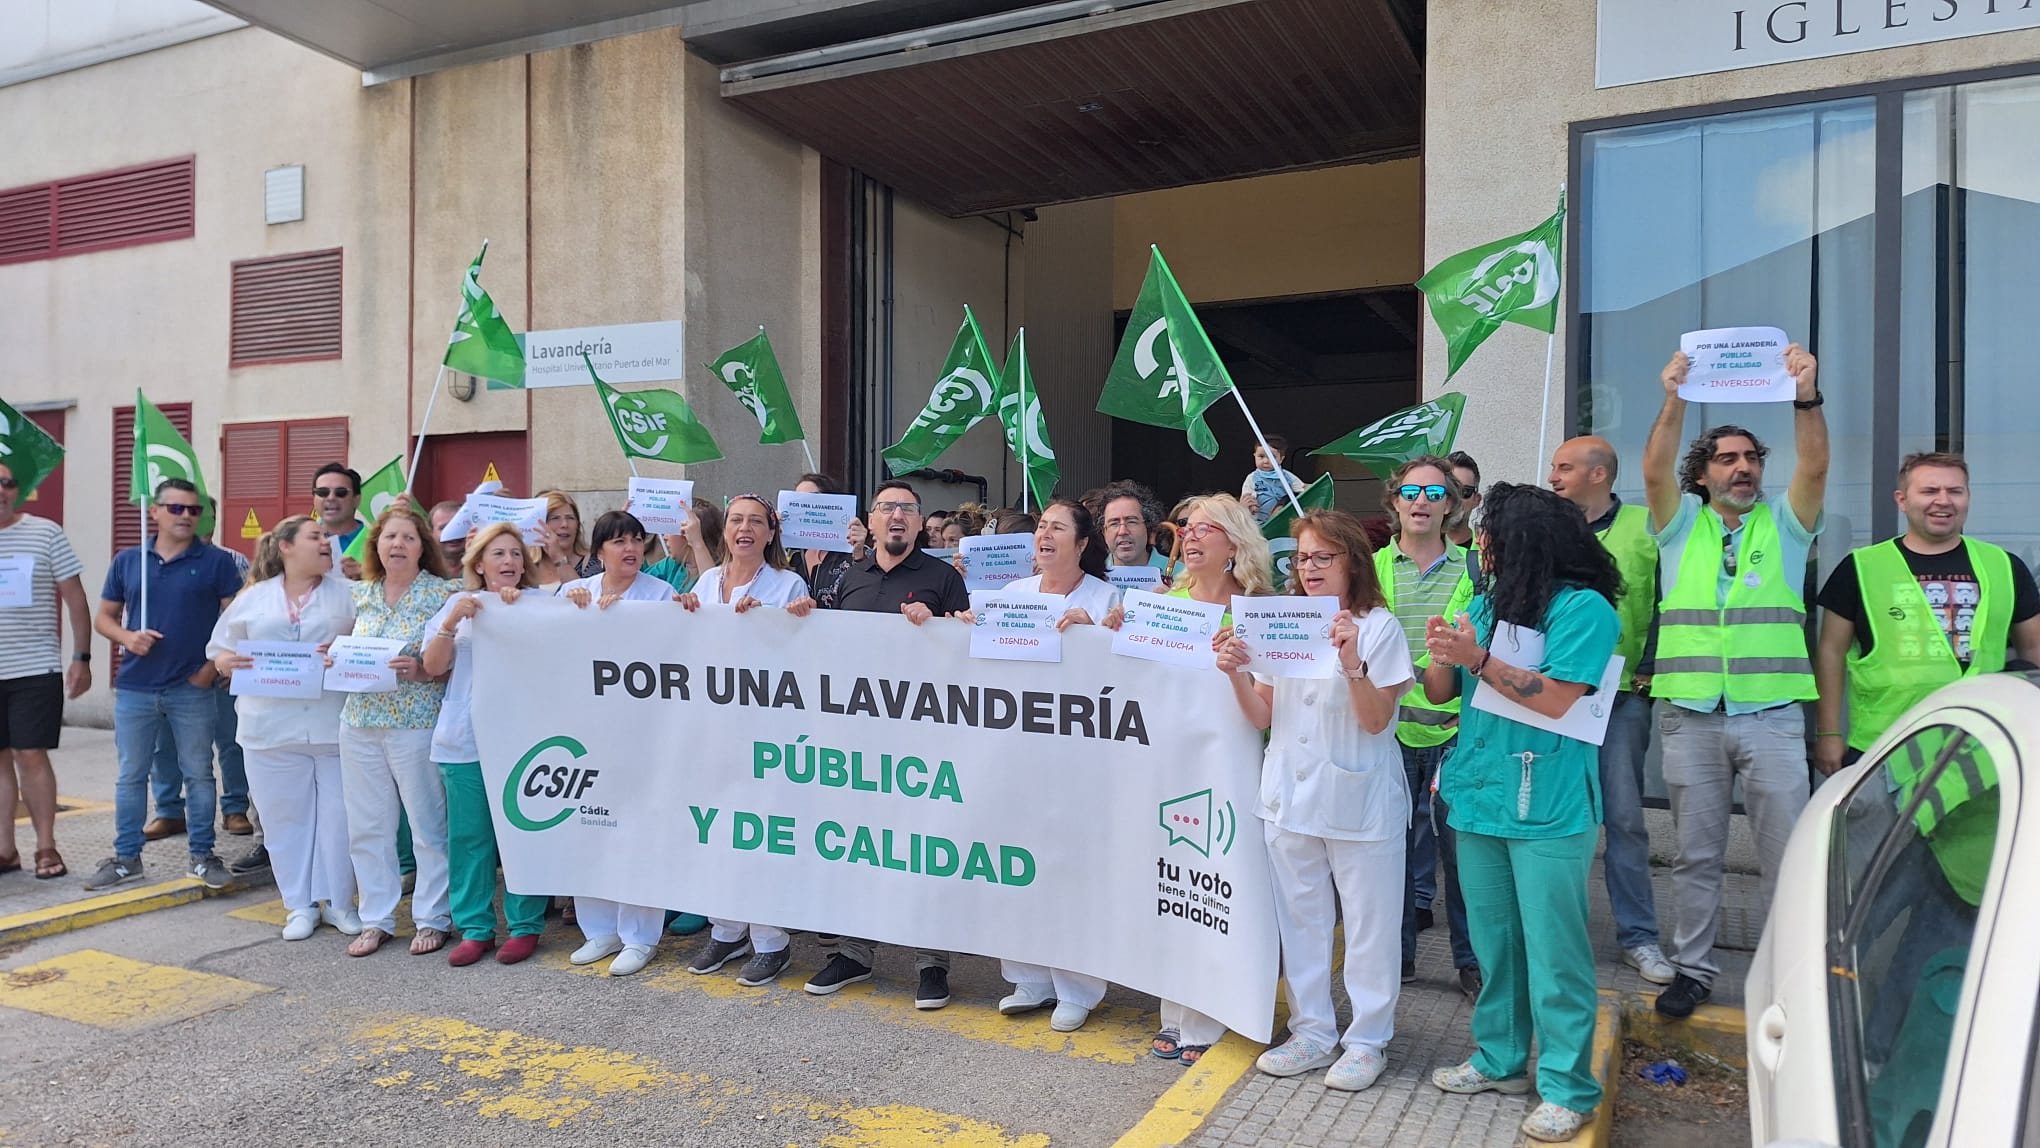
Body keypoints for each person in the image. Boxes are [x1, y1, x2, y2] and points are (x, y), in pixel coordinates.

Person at [1422, 482, 1623, 1143]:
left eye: (1490, 534)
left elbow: (1559, 699)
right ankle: (1501, 1059)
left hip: (1548, 808)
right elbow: (1445, 689)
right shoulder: (1485, 602)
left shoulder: (1585, 611)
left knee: (1556, 952)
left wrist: (1477, 656)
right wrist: (1443, 652)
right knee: (1496, 943)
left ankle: (1569, 1088)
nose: (1480, 544)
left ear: (1525, 542)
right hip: (1480, 797)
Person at [1643, 343, 1827, 1019]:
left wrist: (1805, 396)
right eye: (1728, 458)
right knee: (1695, 855)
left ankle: (1790, 972)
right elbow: (1652, 467)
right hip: (1689, 714)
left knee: (1788, 855)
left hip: (1773, 714)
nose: (1744, 467)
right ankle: (1693, 969)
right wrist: (1673, 398)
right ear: (1704, 473)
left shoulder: (1787, 525)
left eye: (1751, 458)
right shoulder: (1675, 525)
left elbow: (1815, 464)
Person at [1221, 509, 1412, 1091]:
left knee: (1369, 925)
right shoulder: (1284, 624)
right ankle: (1312, 1030)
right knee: (1301, 921)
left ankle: (1368, 1038)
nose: (1309, 568)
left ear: (1352, 561)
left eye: (1323, 557)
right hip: (1289, 798)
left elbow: (1377, 721)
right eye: (1302, 558)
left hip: (1360, 800)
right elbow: (1262, 714)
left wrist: (1353, 663)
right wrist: (1233, 671)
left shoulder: (1379, 628)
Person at [807, 481, 970, 1009]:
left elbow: (964, 651)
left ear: (920, 524)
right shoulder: (849, 577)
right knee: (861, 845)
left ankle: (932, 962)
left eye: (907, 509)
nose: (896, 516)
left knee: (926, 847)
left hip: (923, 737)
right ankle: (855, 951)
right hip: (858, 739)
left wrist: (942, 627)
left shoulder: (943, 578)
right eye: (886, 508)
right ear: (871, 522)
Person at [977, 498, 1120, 1033]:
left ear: (1083, 544)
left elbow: (1122, 664)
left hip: (1078, 755)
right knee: (1015, 861)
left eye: (1058, 528)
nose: (1044, 535)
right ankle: (1028, 977)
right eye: (1041, 526)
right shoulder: (1012, 595)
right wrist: (966, 624)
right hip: (1017, 750)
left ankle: (1078, 986)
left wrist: (1100, 631)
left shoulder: (1106, 597)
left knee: (1070, 866)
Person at [1815, 452, 2040, 774]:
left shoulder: (2004, 566)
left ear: (1968, 497)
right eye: (1930, 491)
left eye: (1955, 491)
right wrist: (1828, 733)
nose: (1943, 501)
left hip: (1981, 743)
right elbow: (1830, 652)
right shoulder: (1861, 567)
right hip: (1885, 745)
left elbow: (2033, 650)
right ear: (1902, 500)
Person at [1547, 435, 1675, 985]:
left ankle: (1639, 937)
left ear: (1598, 475)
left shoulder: (1648, 528)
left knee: (1623, 819)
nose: (1554, 477)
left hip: (1620, 698)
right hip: (1552, 697)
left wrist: (1650, 668)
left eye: (1565, 468)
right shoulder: (1552, 528)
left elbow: (1668, 601)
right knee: (1556, 821)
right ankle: (1560, 935)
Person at [1151, 493, 1273, 1067]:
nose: (1191, 537)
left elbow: (1271, 705)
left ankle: (1212, 1011)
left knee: (1219, 890)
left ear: (1234, 544)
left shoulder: (1258, 610)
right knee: (1172, 891)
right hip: (1167, 767)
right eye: (1186, 529)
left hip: (1231, 768)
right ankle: (1174, 1011)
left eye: (1206, 529)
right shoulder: (1164, 602)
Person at [675, 495, 818, 986]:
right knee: (716, 828)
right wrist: (687, 611)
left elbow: (799, 649)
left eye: (756, 522)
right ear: (725, 530)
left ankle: (770, 940)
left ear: (771, 533)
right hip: (712, 731)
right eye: (736, 520)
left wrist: (780, 621)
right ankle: (727, 928)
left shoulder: (787, 583)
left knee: (761, 833)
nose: (745, 528)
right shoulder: (707, 582)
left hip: (766, 734)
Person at [206, 516, 361, 940]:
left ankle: (341, 903)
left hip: (331, 724)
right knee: (283, 819)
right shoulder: (254, 597)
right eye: (315, 537)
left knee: (339, 820)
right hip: (268, 728)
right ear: (287, 547)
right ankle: (299, 904)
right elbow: (219, 649)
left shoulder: (347, 595)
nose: (326, 543)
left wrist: (344, 652)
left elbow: (367, 645)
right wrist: (226, 663)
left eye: (326, 537)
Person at [87, 479, 245, 891]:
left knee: (198, 773)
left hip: (192, 687)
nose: (187, 516)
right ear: (154, 512)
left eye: (194, 510)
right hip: (136, 686)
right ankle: (126, 858)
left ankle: (203, 856)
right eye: (177, 509)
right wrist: (127, 638)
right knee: (131, 775)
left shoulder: (216, 562)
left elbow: (238, 622)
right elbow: (103, 616)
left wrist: (212, 668)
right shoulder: (128, 560)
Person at [422, 521, 552, 967]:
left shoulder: (540, 604)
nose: (509, 562)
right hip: (465, 740)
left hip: (523, 739)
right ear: (479, 563)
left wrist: (522, 614)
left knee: (523, 831)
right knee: (470, 837)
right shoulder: (456, 605)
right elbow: (434, 666)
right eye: (498, 554)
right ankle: (475, 927)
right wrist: (455, 620)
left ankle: (525, 925)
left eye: (516, 554)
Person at [563, 510, 683, 975]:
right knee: (588, 826)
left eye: (636, 540)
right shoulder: (577, 595)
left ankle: (639, 935)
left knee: (637, 828)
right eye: (618, 542)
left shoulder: (660, 594)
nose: (630, 549)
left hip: (642, 731)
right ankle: (600, 930)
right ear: (598, 552)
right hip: (587, 732)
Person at [1377, 456, 1480, 997]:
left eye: (1434, 493)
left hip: (1457, 731)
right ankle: (1397, 960)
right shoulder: (1368, 568)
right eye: (1411, 491)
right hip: (1388, 731)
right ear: (1395, 501)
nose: (1421, 501)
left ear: (1451, 506)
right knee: (1392, 851)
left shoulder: (1477, 570)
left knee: (1462, 855)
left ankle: (1471, 961)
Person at [338, 504, 458, 957]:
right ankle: (376, 918)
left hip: (415, 723)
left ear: (422, 546)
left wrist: (423, 671)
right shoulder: (361, 595)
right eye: (389, 537)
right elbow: (345, 645)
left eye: (408, 538)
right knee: (368, 826)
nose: (398, 545)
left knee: (428, 824)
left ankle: (432, 917)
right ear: (376, 546)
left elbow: (456, 666)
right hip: (360, 723)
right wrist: (336, 657)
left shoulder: (442, 594)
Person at [0, 458, 92, 880]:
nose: (1, 490)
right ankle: (5, 849)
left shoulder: (45, 533)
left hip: (34, 668)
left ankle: (45, 846)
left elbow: (75, 598)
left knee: (29, 753)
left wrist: (82, 658)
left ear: (16, 489)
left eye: (6, 482)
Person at [147, 500, 252, 842]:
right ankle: (169, 811)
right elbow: (134, 612)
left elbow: (244, 617)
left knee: (231, 742)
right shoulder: (146, 561)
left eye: (205, 514)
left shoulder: (235, 562)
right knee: (165, 746)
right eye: (182, 511)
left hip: (220, 673)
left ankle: (235, 808)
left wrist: (226, 661)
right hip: (166, 672)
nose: (194, 520)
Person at [791, 474, 870, 610]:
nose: (805, 506)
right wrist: (771, 534)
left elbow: (871, 588)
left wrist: (859, 553)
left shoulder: (857, 552)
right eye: (798, 500)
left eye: (812, 498)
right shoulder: (795, 557)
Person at [1087, 479, 1175, 576]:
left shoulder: (1183, 574)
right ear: (1104, 532)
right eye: (1114, 523)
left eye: (1131, 522)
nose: (1122, 531)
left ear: (1148, 527)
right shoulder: (1091, 573)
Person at [644, 499, 722, 596]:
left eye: (670, 530)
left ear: (687, 533)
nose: (665, 537)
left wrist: (697, 543)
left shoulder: (723, 569)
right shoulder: (671, 564)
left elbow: (712, 594)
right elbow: (638, 583)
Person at [535, 490, 601, 586]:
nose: (564, 524)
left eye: (570, 518)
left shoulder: (593, 563)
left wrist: (559, 558)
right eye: (555, 518)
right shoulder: (527, 565)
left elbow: (583, 595)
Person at [312, 463, 365, 579]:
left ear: (357, 500)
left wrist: (369, 576)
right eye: (323, 492)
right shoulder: (299, 541)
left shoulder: (378, 542)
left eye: (341, 492)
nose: (331, 498)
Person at [1240, 435, 1304, 525]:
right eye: (1261, 456)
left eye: (1272, 457)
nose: (1266, 461)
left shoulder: (1287, 477)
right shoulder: (1252, 478)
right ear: (1254, 456)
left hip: (1281, 522)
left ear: (1281, 459)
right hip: (1257, 522)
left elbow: (1303, 491)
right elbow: (1246, 498)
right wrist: (1248, 506)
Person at [1444, 451, 1483, 550]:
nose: (1456, 498)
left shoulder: (1487, 551)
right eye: (1450, 489)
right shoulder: (1412, 548)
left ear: (1476, 500)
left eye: (1465, 491)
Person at [428, 500, 467, 570]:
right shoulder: (421, 569)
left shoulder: (484, 568)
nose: (453, 533)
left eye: (458, 526)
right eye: (444, 528)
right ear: (431, 534)